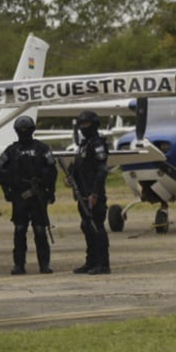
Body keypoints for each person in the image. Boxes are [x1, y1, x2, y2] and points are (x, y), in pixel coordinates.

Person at [0, 115, 58, 275]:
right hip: (20, 196)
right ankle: (19, 265)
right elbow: (0, 172)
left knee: (40, 230)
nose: (24, 132)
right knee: (19, 230)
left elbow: (52, 170)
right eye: (21, 130)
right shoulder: (11, 151)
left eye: (26, 129)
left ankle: (44, 265)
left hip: (38, 196)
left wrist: (50, 191)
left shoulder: (42, 149)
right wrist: (8, 190)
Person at [69, 110, 111, 274]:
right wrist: (71, 177)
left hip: (94, 194)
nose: (83, 128)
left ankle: (103, 264)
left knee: (97, 228)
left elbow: (101, 171)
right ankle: (91, 261)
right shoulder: (83, 145)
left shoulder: (98, 144)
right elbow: (78, 167)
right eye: (81, 125)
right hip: (82, 193)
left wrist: (95, 193)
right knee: (87, 226)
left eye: (86, 124)